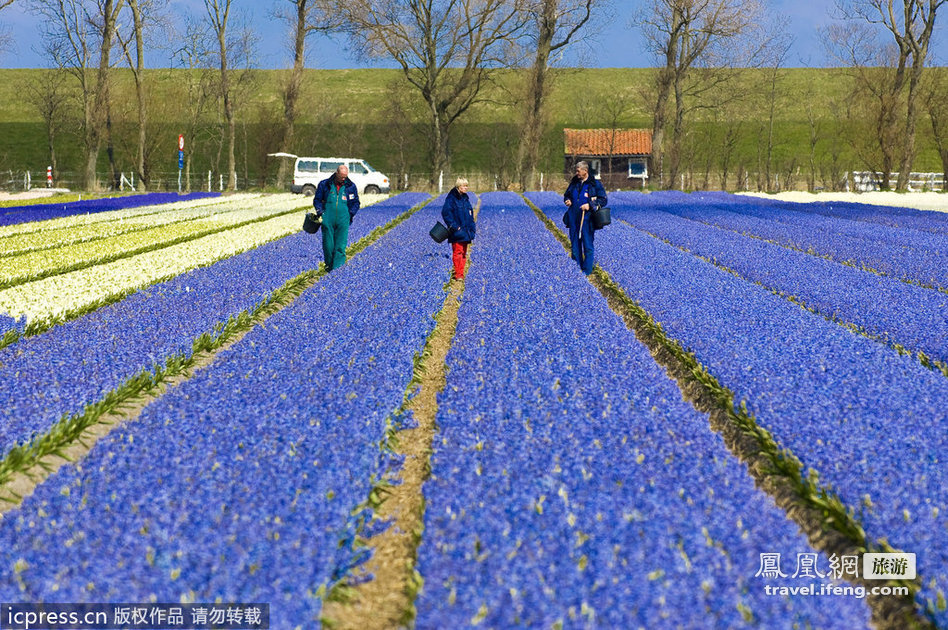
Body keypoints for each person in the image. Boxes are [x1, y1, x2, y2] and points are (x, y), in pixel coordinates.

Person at [313, 164, 360, 271]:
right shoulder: (325, 184)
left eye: (345, 176)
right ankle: (329, 267)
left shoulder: (350, 186)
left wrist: (350, 214)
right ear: (337, 173)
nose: (344, 178)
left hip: (343, 219)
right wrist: (320, 212)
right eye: (342, 176)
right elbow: (317, 200)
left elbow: (356, 202)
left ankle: (338, 270)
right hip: (327, 218)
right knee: (328, 245)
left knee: (340, 246)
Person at [563, 161, 607, 276]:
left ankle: (587, 271)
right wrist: (567, 200)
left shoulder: (594, 184)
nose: (576, 173)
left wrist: (590, 205)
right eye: (576, 171)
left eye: (578, 171)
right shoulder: (574, 183)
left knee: (587, 246)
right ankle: (576, 270)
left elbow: (603, 200)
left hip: (587, 219)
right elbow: (566, 194)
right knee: (575, 246)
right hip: (573, 218)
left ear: (585, 171)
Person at [441, 177, 476, 280]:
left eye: (467, 185)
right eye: (464, 186)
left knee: (464, 253)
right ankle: (458, 274)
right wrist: (455, 227)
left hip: (466, 231)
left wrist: (472, 227)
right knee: (458, 252)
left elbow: (470, 213)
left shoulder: (466, 198)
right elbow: (446, 213)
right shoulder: (451, 198)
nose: (466, 188)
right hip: (457, 231)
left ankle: (460, 273)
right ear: (458, 186)